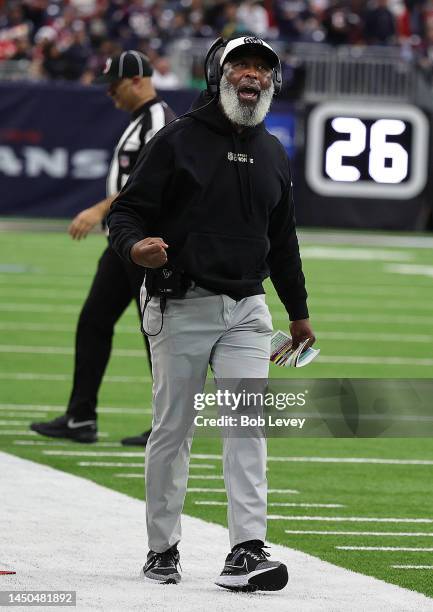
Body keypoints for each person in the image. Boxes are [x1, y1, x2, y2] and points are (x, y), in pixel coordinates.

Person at [107, 36, 315, 592]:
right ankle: (161, 547)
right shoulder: (177, 140)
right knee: (173, 430)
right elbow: (126, 211)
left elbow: (283, 239)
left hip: (249, 308)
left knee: (247, 427)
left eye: (262, 68)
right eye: (241, 65)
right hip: (181, 303)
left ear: (273, 80)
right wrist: (135, 249)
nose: (253, 76)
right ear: (216, 73)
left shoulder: (272, 149)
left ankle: (246, 549)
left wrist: (297, 312)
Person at [30, 50, 176, 446]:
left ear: (137, 81)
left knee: (157, 335)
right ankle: (80, 418)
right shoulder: (139, 121)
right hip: (124, 244)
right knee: (94, 322)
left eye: (113, 85)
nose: (109, 93)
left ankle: (168, 426)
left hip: (146, 244)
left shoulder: (160, 122)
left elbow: (146, 185)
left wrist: (98, 209)